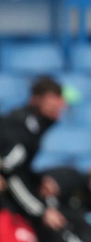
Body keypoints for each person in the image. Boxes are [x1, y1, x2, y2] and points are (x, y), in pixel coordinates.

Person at [0, 76, 68, 232]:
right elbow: (10, 172)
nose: (58, 106)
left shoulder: (31, 127)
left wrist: (39, 181)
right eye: (52, 101)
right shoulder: (22, 127)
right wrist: (41, 212)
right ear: (36, 100)